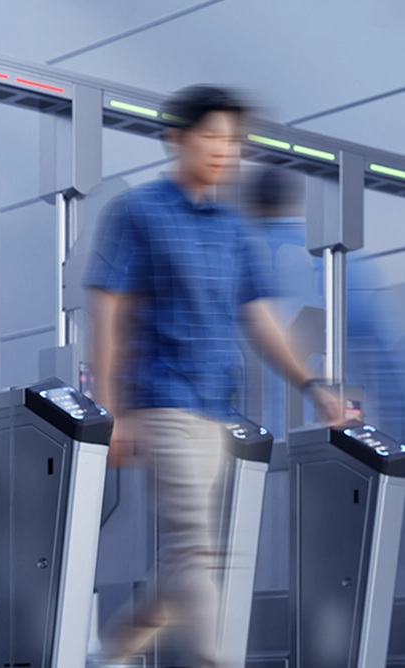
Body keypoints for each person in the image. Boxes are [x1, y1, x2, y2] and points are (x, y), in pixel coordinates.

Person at [87, 87, 345, 668]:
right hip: (160, 402)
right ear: (177, 138)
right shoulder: (136, 212)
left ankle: (116, 648)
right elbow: (106, 310)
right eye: (213, 137)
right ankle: (214, 659)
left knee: (191, 559)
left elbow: (260, 320)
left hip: (216, 411)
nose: (226, 151)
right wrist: (109, 410)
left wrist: (312, 385)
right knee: (195, 547)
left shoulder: (234, 229)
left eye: (233, 141)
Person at [245, 165, 405, 436]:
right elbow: (386, 366)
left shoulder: (244, 257)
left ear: (254, 205)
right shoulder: (347, 264)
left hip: (262, 444)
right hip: (340, 434)